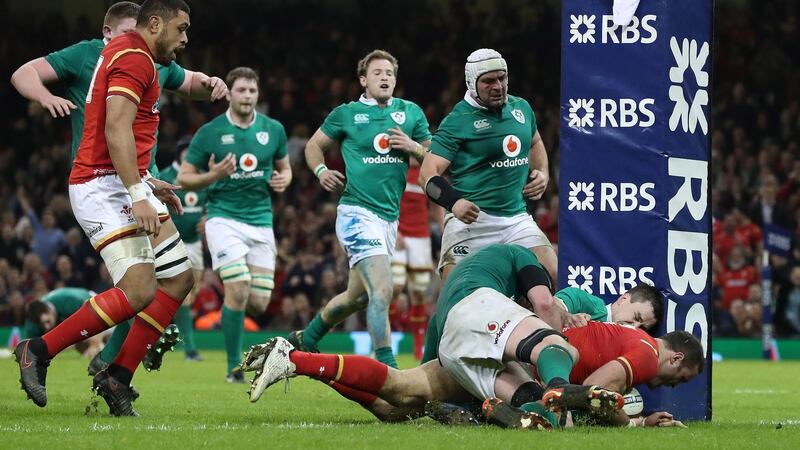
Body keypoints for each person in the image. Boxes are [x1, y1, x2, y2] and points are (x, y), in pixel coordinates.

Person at [10, 0, 228, 377]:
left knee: (179, 279)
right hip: (104, 182)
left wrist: (211, 84)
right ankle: (43, 350)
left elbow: (187, 82)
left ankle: (117, 375)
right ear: (151, 26)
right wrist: (138, 191)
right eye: (182, 29)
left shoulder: (146, 58)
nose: (187, 38)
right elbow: (116, 129)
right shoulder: (124, 56)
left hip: (131, 178)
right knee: (140, 289)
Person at [242, 321, 701, 430]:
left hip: (497, 351)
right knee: (399, 391)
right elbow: (589, 391)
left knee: (392, 405)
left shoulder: (629, 335)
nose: (671, 386)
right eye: (679, 379)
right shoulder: (643, 352)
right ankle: (296, 360)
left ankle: (300, 362)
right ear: (677, 359)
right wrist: (635, 422)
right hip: (510, 368)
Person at [290, 49, 432, 368]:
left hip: (388, 219)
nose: (385, 78)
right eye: (378, 73)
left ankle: (306, 339)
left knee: (357, 297)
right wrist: (321, 171)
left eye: (390, 74)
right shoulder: (347, 114)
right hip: (357, 213)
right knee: (384, 288)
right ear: (363, 80)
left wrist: (413, 148)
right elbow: (313, 146)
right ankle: (389, 368)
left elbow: (434, 157)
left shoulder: (411, 113)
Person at [177, 66, 291, 383]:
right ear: (229, 93)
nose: (247, 96)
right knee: (238, 288)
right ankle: (232, 367)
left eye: (252, 91)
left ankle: (238, 350)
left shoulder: (274, 130)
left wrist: (285, 178)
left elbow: (285, 168)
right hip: (222, 218)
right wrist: (214, 176)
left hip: (260, 220)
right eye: (241, 90)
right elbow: (184, 178)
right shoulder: (211, 132)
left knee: (258, 301)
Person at [419, 49, 557, 283]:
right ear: (472, 83)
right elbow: (426, 175)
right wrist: (454, 202)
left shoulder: (521, 108)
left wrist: (543, 172)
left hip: (516, 219)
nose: (498, 86)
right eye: (489, 81)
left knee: (554, 274)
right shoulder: (457, 121)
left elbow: (535, 142)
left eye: (502, 78)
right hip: (471, 222)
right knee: (455, 291)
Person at [158, 138, 206, 361]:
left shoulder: (202, 177)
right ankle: (190, 348)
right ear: (179, 153)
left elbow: (213, 200)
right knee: (183, 293)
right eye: (186, 152)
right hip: (172, 241)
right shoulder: (166, 175)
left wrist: (208, 216)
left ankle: (166, 332)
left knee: (192, 292)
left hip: (195, 242)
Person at [390, 159, 440, 359]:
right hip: (397, 234)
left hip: (420, 237)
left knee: (419, 293)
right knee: (395, 286)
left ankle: (417, 348)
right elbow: (386, 200)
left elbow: (436, 205)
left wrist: (445, 231)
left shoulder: (428, 171)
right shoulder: (395, 168)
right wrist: (393, 229)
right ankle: (388, 339)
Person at [23, 288, 106, 357]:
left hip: (100, 307)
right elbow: (28, 348)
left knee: (98, 344)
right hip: (78, 322)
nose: (47, 327)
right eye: (42, 325)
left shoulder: (69, 302)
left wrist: (94, 343)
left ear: (49, 310)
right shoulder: (32, 320)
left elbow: (94, 313)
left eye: (47, 321)